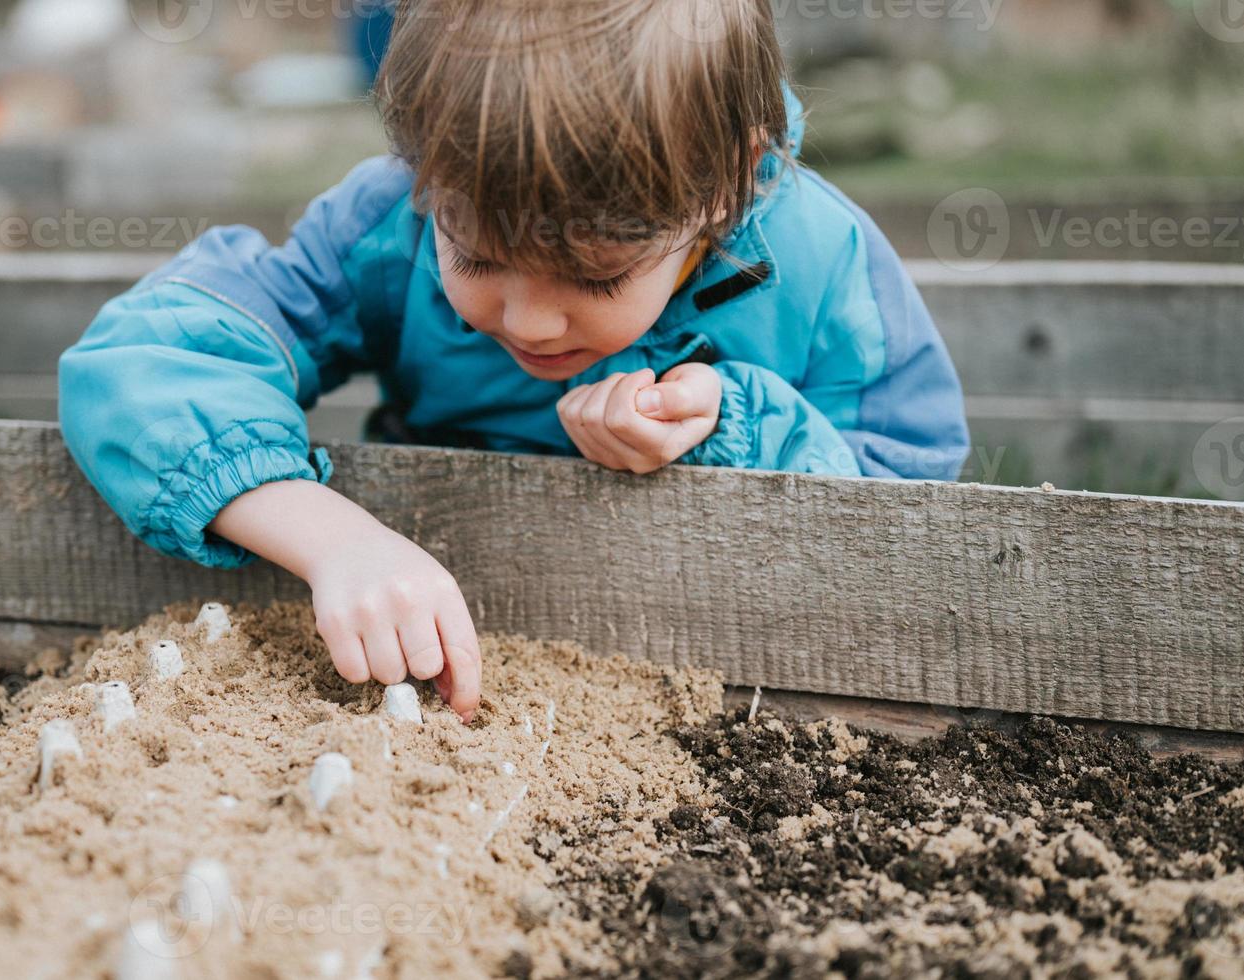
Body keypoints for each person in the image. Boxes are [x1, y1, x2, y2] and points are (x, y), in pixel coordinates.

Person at [58, 0, 970, 727]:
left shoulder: (821, 265)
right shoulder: (386, 224)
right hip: (433, 674)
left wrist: (739, 423)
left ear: (722, 192)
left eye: (593, 274)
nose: (529, 320)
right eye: (478, 257)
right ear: (424, 169)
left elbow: (909, 507)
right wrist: (333, 539)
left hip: (737, 683)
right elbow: (143, 360)